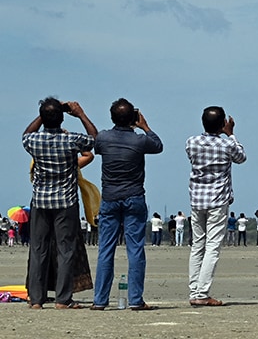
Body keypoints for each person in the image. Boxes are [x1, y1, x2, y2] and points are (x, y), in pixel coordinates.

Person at [22, 97, 97, 309]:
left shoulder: (34, 141)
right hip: (65, 200)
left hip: (41, 200)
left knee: (38, 249)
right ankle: (63, 299)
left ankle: (36, 299)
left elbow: (26, 134)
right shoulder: (71, 140)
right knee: (66, 250)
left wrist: (46, 114)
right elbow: (95, 139)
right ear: (63, 118)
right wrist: (80, 114)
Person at [91, 98, 163, 311]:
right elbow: (158, 146)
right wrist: (145, 126)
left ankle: (100, 300)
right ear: (133, 118)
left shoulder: (103, 138)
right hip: (134, 196)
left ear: (112, 117)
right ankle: (135, 299)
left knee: (105, 249)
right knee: (135, 250)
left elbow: (94, 141)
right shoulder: (140, 140)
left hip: (110, 197)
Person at [185, 106, 247, 306]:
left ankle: (194, 290)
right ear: (222, 125)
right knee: (212, 247)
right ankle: (202, 293)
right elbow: (241, 157)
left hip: (197, 200)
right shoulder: (227, 145)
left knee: (197, 246)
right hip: (217, 200)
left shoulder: (191, 142)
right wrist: (231, 134)